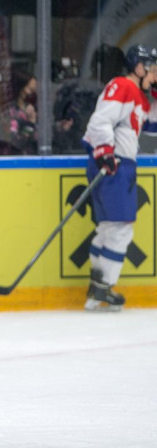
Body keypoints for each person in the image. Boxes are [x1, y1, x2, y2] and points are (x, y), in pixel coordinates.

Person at [81, 44, 157, 312]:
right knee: (120, 228)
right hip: (114, 164)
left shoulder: (137, 94)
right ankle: (104, 287)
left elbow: (149, 125)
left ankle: (97, 287)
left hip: (117, 164)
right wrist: (104, 151)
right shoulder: (122, 86)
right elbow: (99, 121)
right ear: (139, 67)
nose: (155, 75)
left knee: (109, 228)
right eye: (153, 69)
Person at [0, 70, 38, 155]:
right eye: (30, 89)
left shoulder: (29, 107)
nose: (33, 93)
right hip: (15, 158)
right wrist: (31, 122)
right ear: (21, 88)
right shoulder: (11, 111)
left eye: (34, 89)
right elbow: (17, 142)